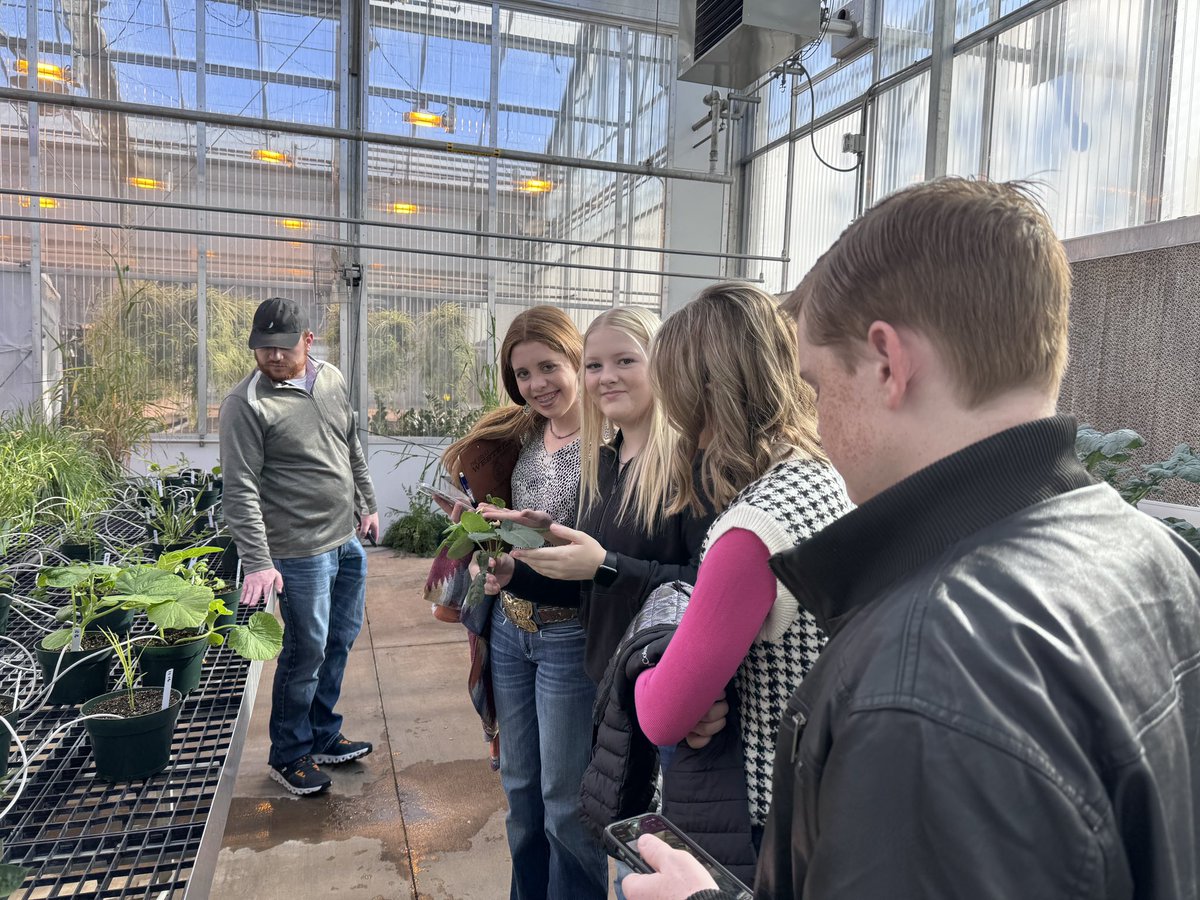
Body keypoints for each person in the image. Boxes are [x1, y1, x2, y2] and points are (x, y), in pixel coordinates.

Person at [623, 178, 1200, 900]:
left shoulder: (923, 677)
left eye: (819, 384)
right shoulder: (1154, 552)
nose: (819, 423)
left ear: (888, 363)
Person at [628, 283, 852, 879]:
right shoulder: (828, 476)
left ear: (699, 393)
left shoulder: (753, 531)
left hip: (755, 814)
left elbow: (664, 715)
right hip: (822, 793)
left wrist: (650, 672)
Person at [442, 306, 604, 900]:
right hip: (512, 630)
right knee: (519, 790)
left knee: (565, 803)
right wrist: (490, 540)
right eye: (523, 375)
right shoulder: (523, 434)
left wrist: (522, 549)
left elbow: (594, 554)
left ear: (576, 359)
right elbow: (517, 528)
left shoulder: (608, 442)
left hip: (569, 637)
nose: (537, 385)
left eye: (548, 367)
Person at [484, 306, 716, 685]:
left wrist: (605, 565)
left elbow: (710, 587)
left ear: (662, 364)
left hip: (663, 680)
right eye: (594, 366)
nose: (606, 377)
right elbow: (588, 587)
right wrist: (517, 570)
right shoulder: (605, 464)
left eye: (624, 360)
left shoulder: (694, 467)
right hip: (608, 676)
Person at [218, 297, 379, 796]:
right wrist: (259, 561)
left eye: (283, 347)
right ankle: (288, 754)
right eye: (262, 348)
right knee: (304, 648)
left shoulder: (329, 379)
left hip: (344, 539)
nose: (272, 357)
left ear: (307, 341)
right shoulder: (246, 404)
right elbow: (239, 488)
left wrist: (367, 503)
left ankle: (323, 733)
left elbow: (349, 442)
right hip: (298, 548)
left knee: (340, 639)